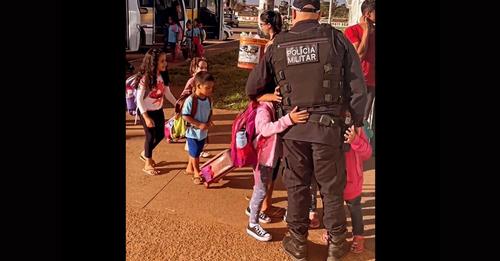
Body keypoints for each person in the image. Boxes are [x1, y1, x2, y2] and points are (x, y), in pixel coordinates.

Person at [245, 0, 367, 259]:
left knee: (297, 187)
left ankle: (298, 243)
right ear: (320, 13)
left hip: (294, 131)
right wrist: (356, 123)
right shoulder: (337, 38)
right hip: (328, 131)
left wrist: (270, 95)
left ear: (293, 13)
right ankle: (336, 245)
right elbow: (358, 87)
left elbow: (252, 88)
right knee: (331, 190)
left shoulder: (278, 44)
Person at [246, 101, 309, 242]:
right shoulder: (264, 108)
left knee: (262, 187)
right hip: (261, 158)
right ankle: (252, 223)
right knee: (260, 190)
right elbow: (265, 129)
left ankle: (253, 209)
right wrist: (288, 120)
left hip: (268, 157)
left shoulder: (274, 107)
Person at [313, 111, 373, 254]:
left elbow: (367, 153)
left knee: (355, 209)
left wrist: (355, 140)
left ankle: (358, 236)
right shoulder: (327, 126)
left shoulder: (356, 128)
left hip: (352, 181)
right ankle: (331, 230)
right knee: (331, 208)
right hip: (332, 180)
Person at [247, 10, 286, 219]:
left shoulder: (272, 45)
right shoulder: (283, 40)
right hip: (277, 105)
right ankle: (263, 204)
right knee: (272, 163)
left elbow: (258, 83)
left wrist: (265, 95)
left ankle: (262, 206)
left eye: (261, 23)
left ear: (268, 25)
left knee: (267, 162)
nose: (260, 26)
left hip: (271, 105)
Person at [136, 48, 178, 176]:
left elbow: (167, 93)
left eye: (165, 60)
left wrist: (177, 104)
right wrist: (146, 117)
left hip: (158, 110)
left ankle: (145, 153)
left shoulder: (163, 75)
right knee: (150, 136)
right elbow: (139, 99)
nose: (165, 63)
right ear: (153, 63)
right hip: (146, 111)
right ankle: (147, 164)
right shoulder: (146, 78)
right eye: (162, 61)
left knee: (160, 135)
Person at [344, 0, 375, 122]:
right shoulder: (351, 30)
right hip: (355, 81)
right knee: (350, 116)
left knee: (363, 120)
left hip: (371, 83)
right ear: (367, 14)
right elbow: (359, 54)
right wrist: (366, 31)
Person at [182, 71, 214, 184]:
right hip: (192, 133)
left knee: (197, 151)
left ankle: (189, 168)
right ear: (198, 86)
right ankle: (196, 172)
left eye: (211, 88)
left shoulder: (209, 99)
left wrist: (209, 121)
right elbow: (185, 116)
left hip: (203, 133)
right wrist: (199, 124)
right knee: (195, 153)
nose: (210, 90)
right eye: (208, 88)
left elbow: (210, 112)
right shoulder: (191, 100)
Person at [180, 57, 211, 158]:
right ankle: (196, 151)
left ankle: (192, 148)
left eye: (205, 68)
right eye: (201, 68)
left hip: (201, 110)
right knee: (194, 131)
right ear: (194, 68)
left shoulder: (204, 80)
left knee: (200, 132)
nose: (204, 70)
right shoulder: (192, 81)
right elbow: (184, 95)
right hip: (193, 111)